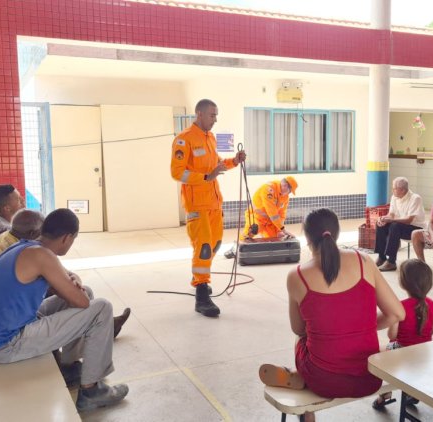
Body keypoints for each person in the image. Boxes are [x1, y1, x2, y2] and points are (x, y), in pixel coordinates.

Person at [258, 208, 405, 422]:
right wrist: (362, 327)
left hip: (322, 382)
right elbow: (396, 313)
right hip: (369, 378)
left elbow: (298, 329)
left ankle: (307, 408)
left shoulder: (297, 275)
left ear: (307, 238)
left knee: (302, 340)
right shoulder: (364, 262)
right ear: (336, 233)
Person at [0, 209, 128, 411]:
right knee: (101, 308)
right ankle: (92, 391)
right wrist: (72, 283)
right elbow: (82, 302)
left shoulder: (27, 247)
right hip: (8, 345)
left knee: (88, 293)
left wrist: (73, 280)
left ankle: (69, 365)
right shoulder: (42, 256)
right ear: (67, 238)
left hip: (4, 333)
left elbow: (71, 280)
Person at [0, 209, 131, 338]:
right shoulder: (37, 253)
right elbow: (79, 300)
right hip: (7, 335)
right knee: (98, 305)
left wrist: (72, 279)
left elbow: (61, 274)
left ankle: (81, 349)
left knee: (82, 294)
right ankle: (99, 341)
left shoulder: (16, 242)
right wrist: (68, 284)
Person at [170, 99, 246, 317]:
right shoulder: (183, 140)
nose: (215, 119)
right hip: (197, 204)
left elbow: (216, 165)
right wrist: (205, 176)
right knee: (203, 246)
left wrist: (234, 161)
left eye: (216, 115)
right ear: (199, 114)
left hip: (214, 203)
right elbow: (177, 172)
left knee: (215, 244)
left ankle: (201, 281)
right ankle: (201, 294)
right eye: (212, 115)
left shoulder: (210, 138)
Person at [372, 258, 433, 409]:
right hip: (424, 352)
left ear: (403, 283)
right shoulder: (431, 304)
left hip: (403, 351)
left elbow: (392, 336)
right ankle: (412, 392)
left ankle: (385, 393)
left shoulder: (400, 306)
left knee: (378, 354)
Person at [374, 177, 427, 272]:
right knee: (380, 225)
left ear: (402, 190)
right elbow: (391, 214)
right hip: (400, 226)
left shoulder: (415, 198)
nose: (392, 190)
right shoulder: (394, 197)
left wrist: (392, 220)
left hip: (416, 228)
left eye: (394, 188)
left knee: (395, 226)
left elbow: (409, 220)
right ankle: (382, 257)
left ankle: (391, 261)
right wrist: (383, 219)